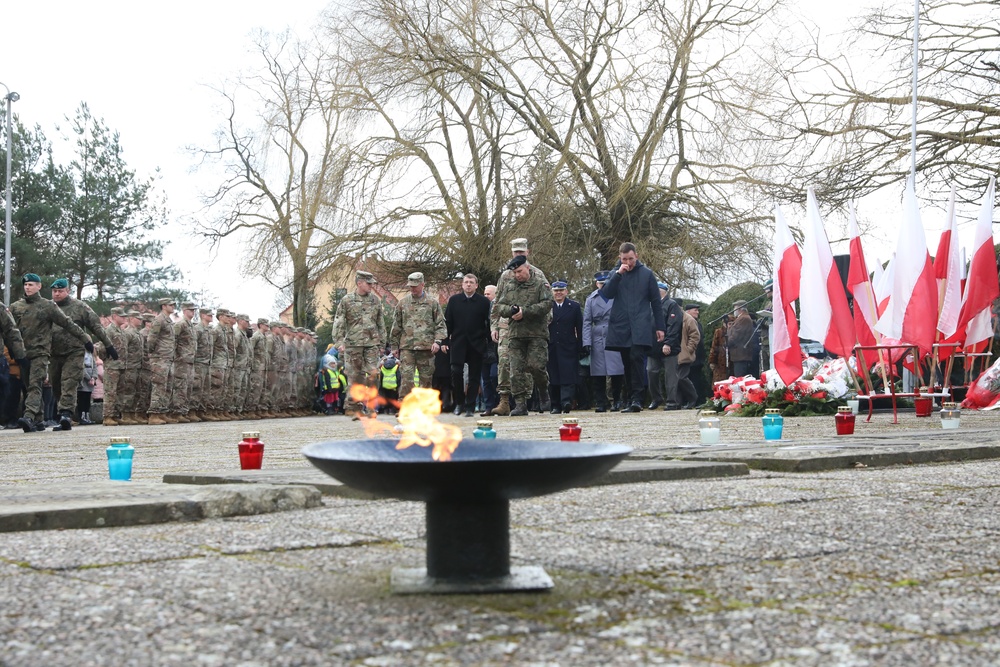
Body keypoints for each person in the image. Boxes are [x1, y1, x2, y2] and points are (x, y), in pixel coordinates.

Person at [10, 273, 94, 433]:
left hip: (41, 353)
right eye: (26, 285)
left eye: (31, 285)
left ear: (39, 286)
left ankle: (28, 416)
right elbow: (9, 331)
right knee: (29, 386)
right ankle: (38, 420)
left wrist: (85, 339)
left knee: (35, 384)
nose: (28, 287)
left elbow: (67, 323)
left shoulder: (48, 305)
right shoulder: (16, 307)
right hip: (23, 354)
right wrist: (13, 349)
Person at [599, 243, 665, 412]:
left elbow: (656, 302)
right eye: (624, 259)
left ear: (636, 255)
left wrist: (660, 326)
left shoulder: (647, 274)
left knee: (636, 358)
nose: (628, 262)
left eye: (630, 258)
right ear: (620, 258)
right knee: (626, 362)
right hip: (621, 325)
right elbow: (606, 294)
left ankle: (637, 399)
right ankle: (630, 398)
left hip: (640, 324)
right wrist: (618, 275)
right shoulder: (615, 274)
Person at [490, 238, 550, 416]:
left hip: (534, 328)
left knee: (533, 366)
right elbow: (497, 304)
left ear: (527, 253)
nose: (518, 255)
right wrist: (496, 325)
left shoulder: (538, 275)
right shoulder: (505, 277)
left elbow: (548, 303)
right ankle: (511, 402)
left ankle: (536, 397)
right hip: (510, 328)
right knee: (508, 366)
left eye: (521, 253)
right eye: (515, 252)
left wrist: (536, 318)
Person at [49, 278, 117, 429]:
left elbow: (96, 326)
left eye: (60, 291)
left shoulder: (80, 307)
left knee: (69, 382)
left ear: (68, 291)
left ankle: (65, 415)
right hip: (53, 353)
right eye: (54, 291)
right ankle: (69, 414)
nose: (57, 294)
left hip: (74, 352)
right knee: (56, 385)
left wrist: (108, 345)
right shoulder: (48, 307)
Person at [331, 271, 387, 417]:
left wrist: (382, 343)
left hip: (372, 344)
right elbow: (339, 321)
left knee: (374, 373)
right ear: (359, 283)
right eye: (369, 283)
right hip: (353, 344)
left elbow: (380, 323)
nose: (371, 286)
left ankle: (371, 407)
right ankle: (354, 407)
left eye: (372, 283)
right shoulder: (347, 300)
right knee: (355, 376)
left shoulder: (375, 300)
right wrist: (339, 341)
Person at [389, 272, 446, 401]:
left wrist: (437, 342)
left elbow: (440, 325)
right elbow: (396, 326)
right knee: (406, 378)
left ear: (422, 284)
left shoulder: (432, 303)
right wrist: (394, 345)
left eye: (415, 286)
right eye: (410, 286)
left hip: (427, 348)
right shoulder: (403, 303)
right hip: (407, 347)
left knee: (426, 380)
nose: (412, 289)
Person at [445, 274, 491, 417]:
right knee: (456, 371)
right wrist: (445, 341)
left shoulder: (484, 302)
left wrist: (488, 343)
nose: (468, 285)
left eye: (471, 282)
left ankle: (470, 406)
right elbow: (447, 323)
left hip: (476, 343)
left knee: (474, 376)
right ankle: (459, 403)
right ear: (462, 285)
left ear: (477, 285)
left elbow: (488, 323)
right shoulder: (454, 301)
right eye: (466, 282)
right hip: (458, 343)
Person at [582, 271, 625, 412]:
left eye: (605, 283)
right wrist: (586, 341)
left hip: (614, 333)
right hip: (597, 336)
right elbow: (587, 322)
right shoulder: (591, 299)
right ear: (596, 284)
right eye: (601, 283)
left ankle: (617, 400)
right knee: (598, 372)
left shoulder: (618, 296)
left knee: (617, 370)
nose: (603, 286)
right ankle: (601, 402)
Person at [547, 281, 583, 413]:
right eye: (556, 291)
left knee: (568, 376)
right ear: (552, 292)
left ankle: (566, 401)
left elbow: (579, 327)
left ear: (566, 291)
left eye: (561, 290)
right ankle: (555, 405)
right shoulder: (547, 307)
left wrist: (581, 346)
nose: (558, 293)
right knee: (553, 376)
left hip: (568, 346)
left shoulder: (574, 306)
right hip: (552, 346)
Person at [646, 283, 683, 410]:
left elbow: (673, 326)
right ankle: (656, 398)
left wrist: (668, 343)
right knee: (651, 372)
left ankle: (672, 401)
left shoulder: (671, 305)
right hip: (653, 346)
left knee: (670, 375)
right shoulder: (650, 305)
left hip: (668, 347)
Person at [145, 298, 176, 425]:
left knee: (167, 386)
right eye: (171, 305)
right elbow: (151, 339)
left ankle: (163, 412)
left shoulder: (169, 320)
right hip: (159, 358)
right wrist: (154, 354)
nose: (173, 307)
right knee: (159, 386)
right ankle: (154, 414)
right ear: (164, 306)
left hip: (168, 357)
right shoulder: (159, 320)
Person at [169, 302, 198, 423]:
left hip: (190, 360)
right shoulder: (180, 324)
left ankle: (184, 411)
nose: (193, 312)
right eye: (191, 310)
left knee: (189, 386)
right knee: (180, 386)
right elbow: (173, 340)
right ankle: (177, 411)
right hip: (181, 360)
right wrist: (176, 356)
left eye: (194, 310)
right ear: (184, 310)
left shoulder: (190, 325)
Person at [102, 307, 130, 426]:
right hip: (112, 366)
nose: (124, 318)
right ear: (114, 316)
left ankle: (117, 415)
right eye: (121, 316)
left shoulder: (122, 331)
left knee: (120, 392)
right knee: (110, 391)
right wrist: (107, 360)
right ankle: (108, 416)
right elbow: (102, 347)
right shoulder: (109, 330)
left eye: (124, 316)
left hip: (122, 365)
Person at [673, 304, 702, 409]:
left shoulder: (689, 319)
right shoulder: (674, 317)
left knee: (681, 378)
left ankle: (693, 398)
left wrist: (688, 349)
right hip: (674, 354)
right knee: (676, 379)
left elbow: (695, 336)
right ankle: (677, 402)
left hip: (684, 354)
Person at [479, 284, 499, 415]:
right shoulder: (480, 309)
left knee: (494, 376)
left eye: (489, 294)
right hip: (483, 348)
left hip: (497, 349)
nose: (486, 296)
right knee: (485, 379)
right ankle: (488, 406)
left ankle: (500, 402)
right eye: (485, 294)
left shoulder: (498, 309)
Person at [685, 303, 709, 404]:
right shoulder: (688, 322)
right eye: (695, 310)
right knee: (690, 378)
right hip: (690, 355)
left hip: (697, 356)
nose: (697, 312)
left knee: (696, 379)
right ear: (688, 311)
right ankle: (692, 400)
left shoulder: (697, 323)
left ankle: (697, 400)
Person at [727, 300, 756, 378]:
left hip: (741, 355)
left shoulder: (744, 318)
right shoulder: (741, 318)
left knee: (740, 379)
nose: (734, 310)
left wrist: (726, 343)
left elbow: (737, 335)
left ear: (739, 308)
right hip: (739, 355)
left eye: (735, 308)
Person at [76, 349, 97, 424]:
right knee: (82, 398)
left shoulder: (91, 354)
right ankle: (81, 416)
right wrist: (88, 378)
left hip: (91, 376)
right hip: (84, 377)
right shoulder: (81, 353)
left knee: (88, 398)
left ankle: (87, 416)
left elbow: (94, 366)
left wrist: (94, 377)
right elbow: (81, 366)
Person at [708, 316, 731, 382]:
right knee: (720, 380)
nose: (730, 326)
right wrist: (712, 361)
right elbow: (714, 347)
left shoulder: (734, 332)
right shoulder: (719, 332)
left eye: (732, 324)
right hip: (720, 361)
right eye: (729, 324)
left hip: (731, 361)